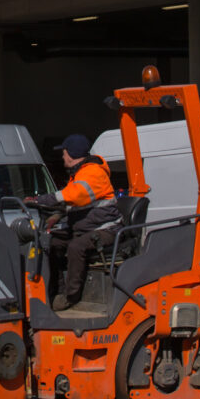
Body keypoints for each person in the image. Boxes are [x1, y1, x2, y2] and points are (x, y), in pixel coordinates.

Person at [34, 133, 122, 311]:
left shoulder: (93, 173)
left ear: (72, 154)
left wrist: (44, 200)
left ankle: (71, 297)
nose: (62, 157)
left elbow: (75, 195)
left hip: (105, 229)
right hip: (86, 227)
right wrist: (56, 216)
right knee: (52, 242)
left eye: (64, 153)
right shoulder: (79, 173)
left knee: (76, 247)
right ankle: (56, 291)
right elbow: (74, 204)